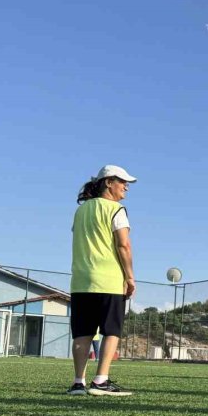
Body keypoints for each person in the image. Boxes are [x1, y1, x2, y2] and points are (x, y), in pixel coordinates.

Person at [66, 164, 137, 396]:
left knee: (82, 333)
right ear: (108, 182)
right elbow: (123, 245)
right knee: (111, 331)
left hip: (81, 281)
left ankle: (78, 383)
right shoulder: (117, 209)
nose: (126, 186)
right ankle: (100, 381)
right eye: (122, 181)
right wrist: (130, 276)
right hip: (109, 280)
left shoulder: (81, 210)